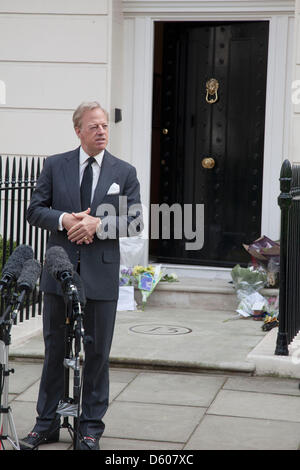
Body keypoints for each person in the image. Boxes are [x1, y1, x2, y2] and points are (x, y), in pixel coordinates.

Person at [21, 101, 143, 450]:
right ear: (78, 131)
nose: (102, 131)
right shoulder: (54, 165)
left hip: (101, 278)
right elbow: (34, 210)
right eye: (94, 127)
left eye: (105, 125)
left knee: (97, 354)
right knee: (54, 350)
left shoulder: (124, 172)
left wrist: (98, 224)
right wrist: (67, 221)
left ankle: (90, 428)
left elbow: (134, 221)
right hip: (58, 274)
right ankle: (46, 424)